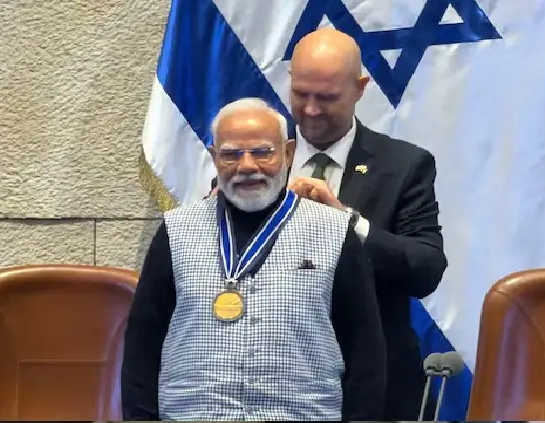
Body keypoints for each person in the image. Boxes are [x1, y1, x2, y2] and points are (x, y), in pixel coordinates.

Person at [120, 98, 387, 421]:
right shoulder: (176, 231)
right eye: (231, 154)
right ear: (214, 158)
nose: (247, 166)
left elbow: (365, 353)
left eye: (262, 152)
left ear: (288, 153)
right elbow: (142, 347)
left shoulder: (335, 232)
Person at [285, 28, 448, 420]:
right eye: (301, 94)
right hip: (274, 382)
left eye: (327, 97)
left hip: (373, 388)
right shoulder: (258, 160)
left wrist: (348, 223)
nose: (311, 110)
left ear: (360, 89)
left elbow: (426, 268)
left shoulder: (404, 165)